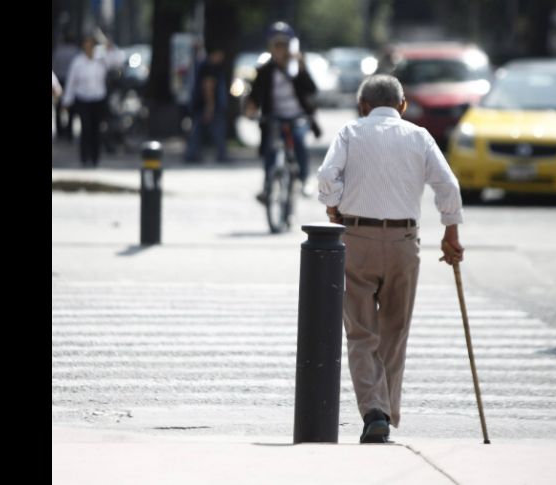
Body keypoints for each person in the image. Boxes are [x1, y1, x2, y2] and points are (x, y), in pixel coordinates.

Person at [317, 74, 464, 443]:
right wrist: (451, 232)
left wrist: (333, 206)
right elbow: (448, 185)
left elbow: (326, 175)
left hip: (357, 239)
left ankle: (374, 411)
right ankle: (385, 410)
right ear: (402, 106)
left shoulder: (350, 132)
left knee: (361, 333)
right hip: (403, 241)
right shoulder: (419, 136)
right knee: (395, 333)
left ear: (362, 104)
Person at [244, 21, 321, 201]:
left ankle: (303, 179)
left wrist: (301, 68)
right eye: (276, 45)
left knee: (299, 140)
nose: (280, 49)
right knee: (271, 148)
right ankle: (267, 187)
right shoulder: (265, 70)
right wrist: (251, 109)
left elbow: (311, 90)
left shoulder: (296, 68)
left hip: (297, 115)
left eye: (283, 45)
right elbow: (256, 95)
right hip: (274, 116)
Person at [61, 35, 124, 167]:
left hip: (98, 99)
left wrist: (109, 45)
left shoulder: (101, 59)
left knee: (96, 129)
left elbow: (119, 59)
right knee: (86, 128)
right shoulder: (78, 62)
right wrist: (67, 101)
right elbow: (71, 82)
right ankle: (84, 158)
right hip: (82, 99)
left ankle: (95, 158)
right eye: (87, 44)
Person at [184, 47, 229, 163]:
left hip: (202, 105)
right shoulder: (210, 68)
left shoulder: (205, 65)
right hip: (207, 105)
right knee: (215, 130)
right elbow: (209, 88)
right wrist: (210, 107)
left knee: (199, 130)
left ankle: (192, 154)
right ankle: (220, 154)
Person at [52, 32, 79, 141]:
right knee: (71, 107)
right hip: (69, 81)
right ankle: (69, 132)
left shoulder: (59, 51)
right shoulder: (75, 51)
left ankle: (60, 131)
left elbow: (54, 65)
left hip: (60, 79)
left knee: (59, 106)